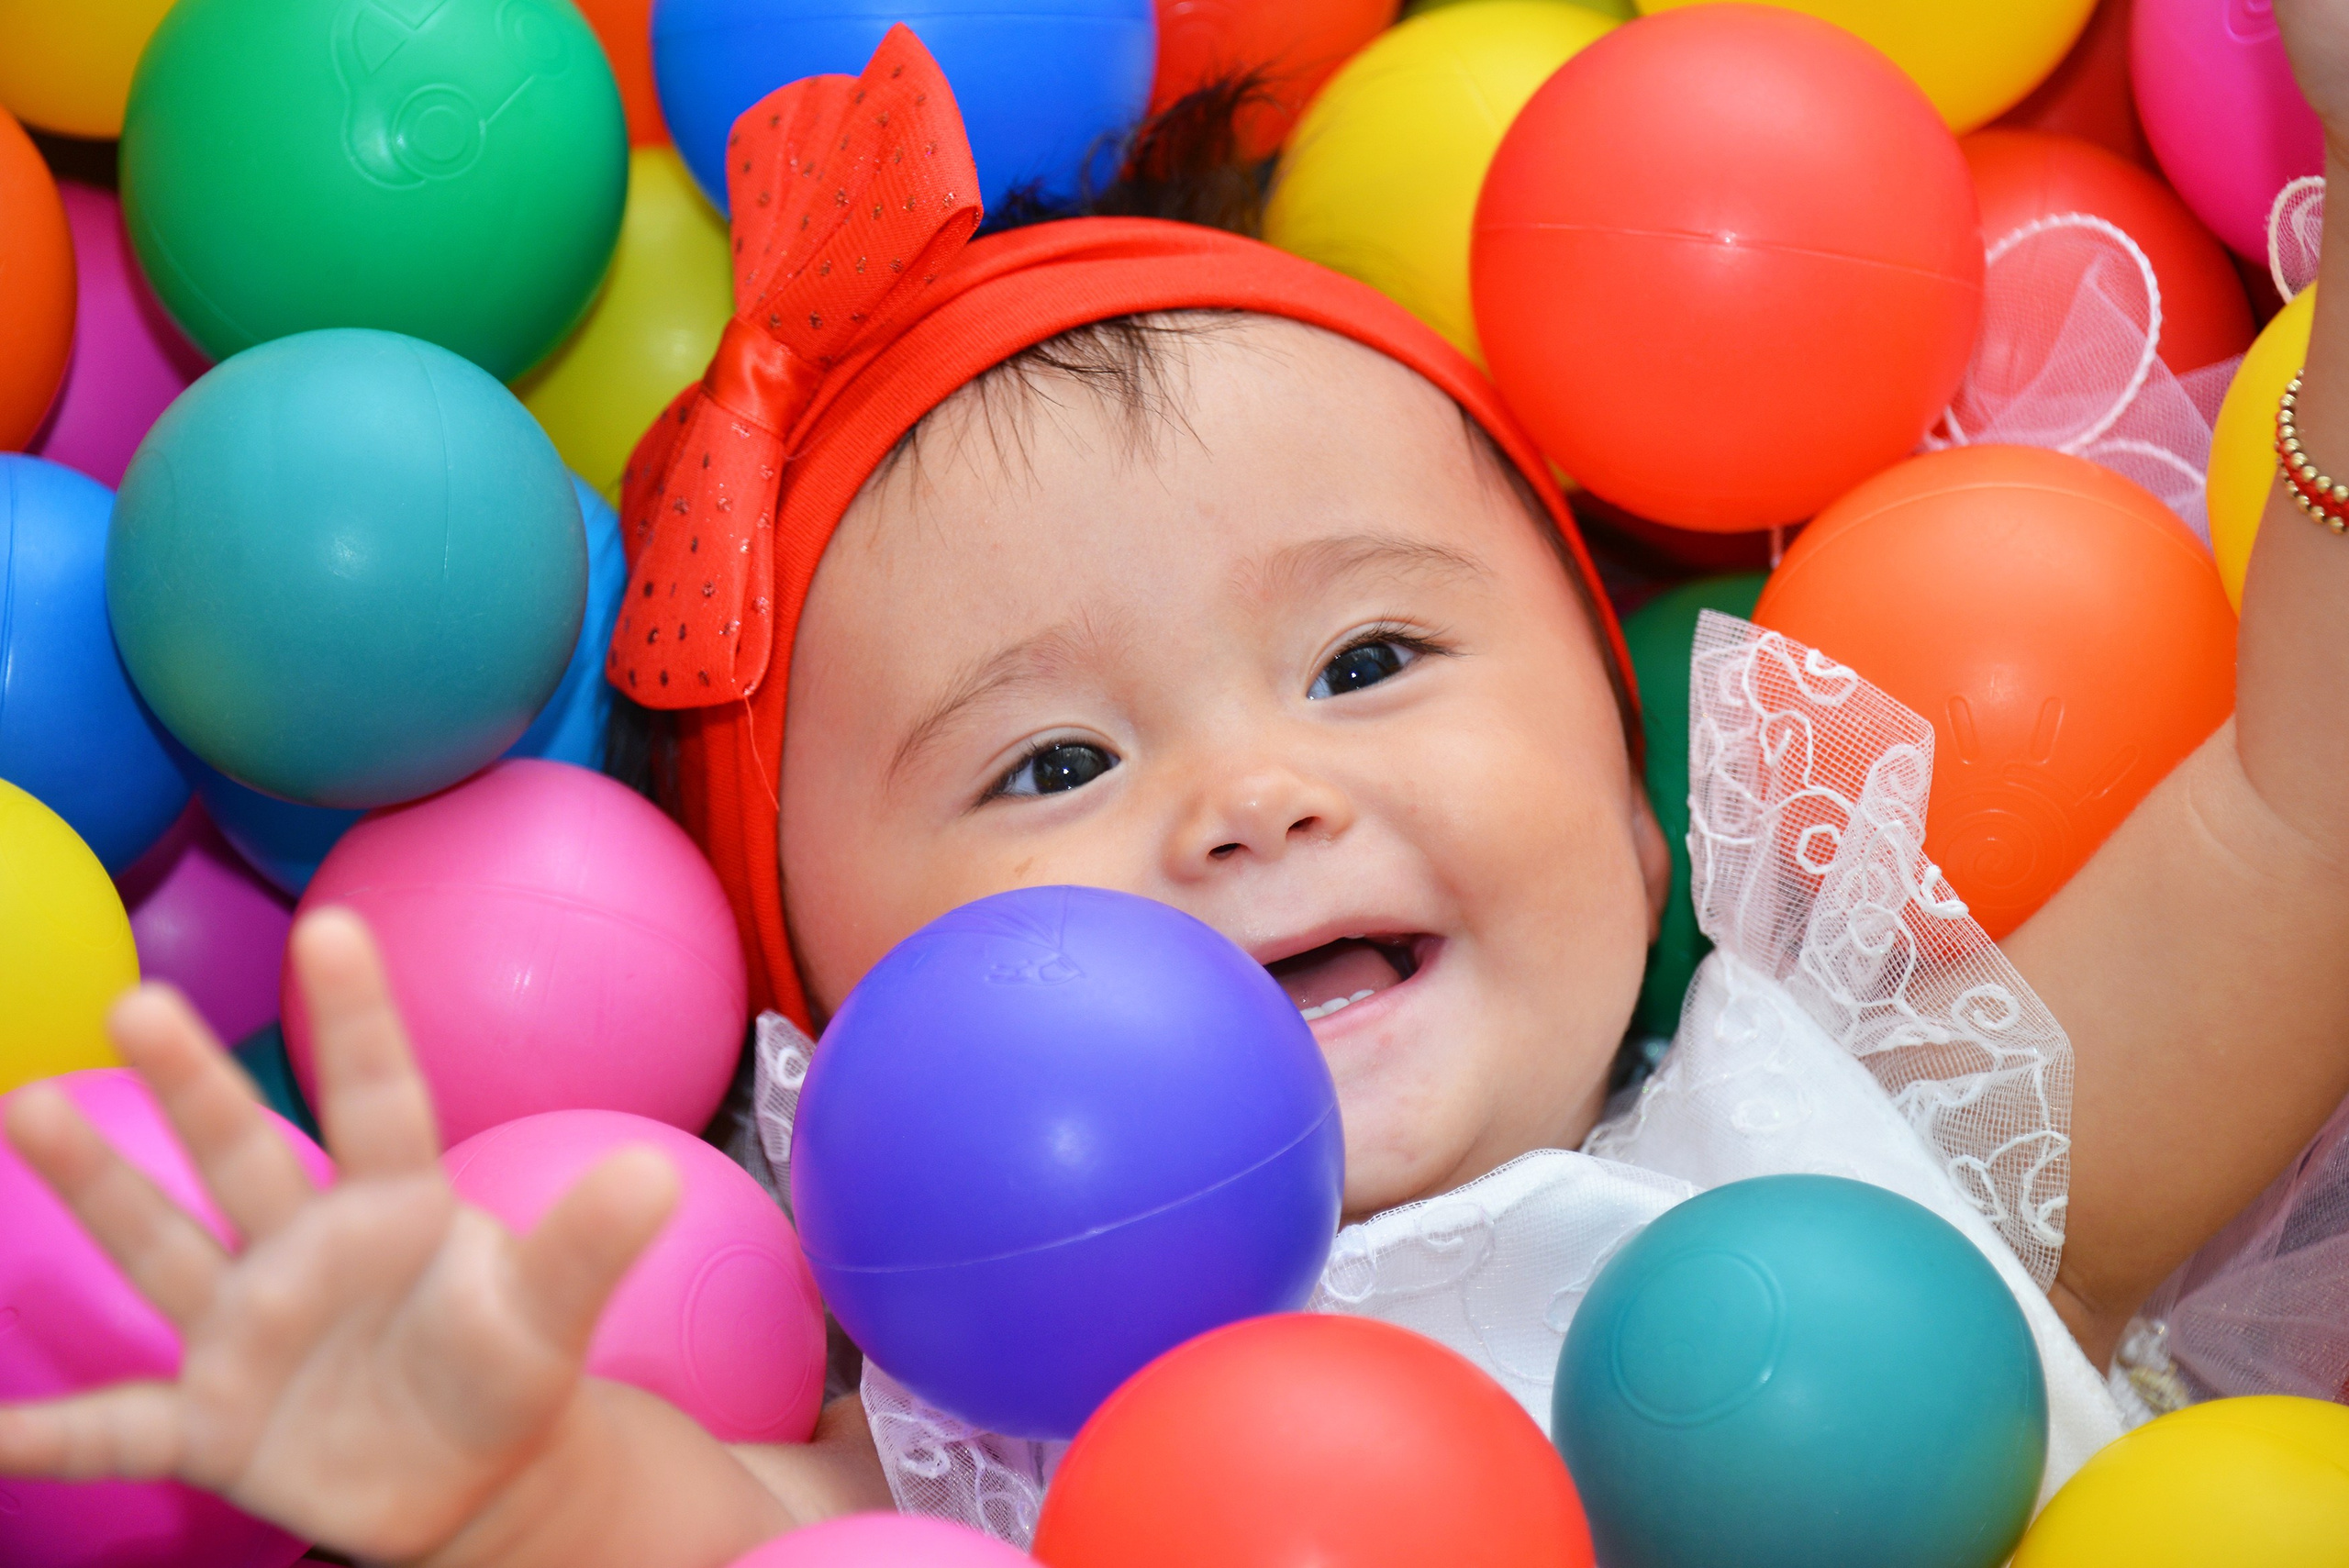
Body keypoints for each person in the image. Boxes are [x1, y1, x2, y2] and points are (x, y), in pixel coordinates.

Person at [9, 8, 2349, 1563]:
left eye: (1364, 655)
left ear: (1643, 806)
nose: (1247, 797)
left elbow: (2301, 818)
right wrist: (494, 1470)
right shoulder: (975, 1452)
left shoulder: (1873, 1136)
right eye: (1048, 760)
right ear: (820, 1036)